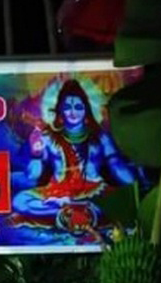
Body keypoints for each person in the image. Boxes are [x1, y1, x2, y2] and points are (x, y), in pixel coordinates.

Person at [11, 79, 140, 235]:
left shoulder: (100, 137)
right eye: (67, 108)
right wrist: (36, 154)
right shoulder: (48, 138)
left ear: (86, 110)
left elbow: (116, 165)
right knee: (20, 200)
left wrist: (132, 186)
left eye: (78, 107)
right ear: (60, 111)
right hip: (58, 196)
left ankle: (70, 216)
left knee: (119, 203)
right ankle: (70, 216)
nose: (73, 112)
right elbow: (35, 175)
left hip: (94, 193)